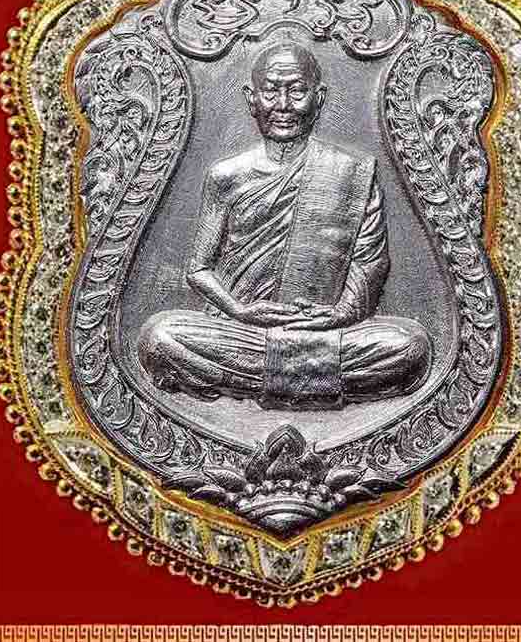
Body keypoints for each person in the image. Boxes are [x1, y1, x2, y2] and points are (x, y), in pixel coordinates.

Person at [137, 41, 431, 409]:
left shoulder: (352, 171)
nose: (283, 105)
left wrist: (340, 314)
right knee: (160, 338)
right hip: (243, 331)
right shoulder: (227, 176)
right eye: (271, 91)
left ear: (318, 98)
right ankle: (312, 381)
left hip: (324, 332)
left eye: (296, 91)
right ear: (252, 99)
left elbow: (370, 263)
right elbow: (198, 269)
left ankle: (251, 381)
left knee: (409, 346)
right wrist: (239, 310)